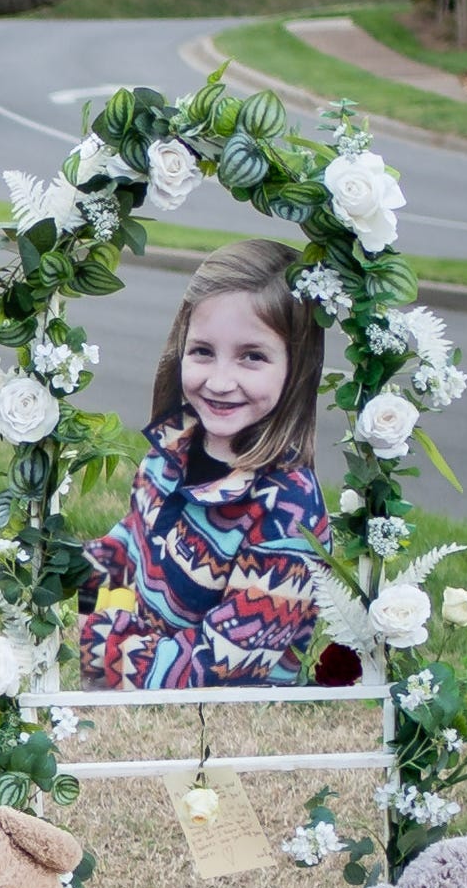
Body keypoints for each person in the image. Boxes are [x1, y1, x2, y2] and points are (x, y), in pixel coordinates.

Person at [78, 240, 330, 692]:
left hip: (218, 740)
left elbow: (219, 670)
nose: (218, 381)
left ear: (297, 367)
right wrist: (68, 572)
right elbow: (136, 538)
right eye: (202, 352)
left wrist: (98, 641)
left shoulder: (288, 512)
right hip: (141, 709)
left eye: (252, 356)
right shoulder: (171, 450)